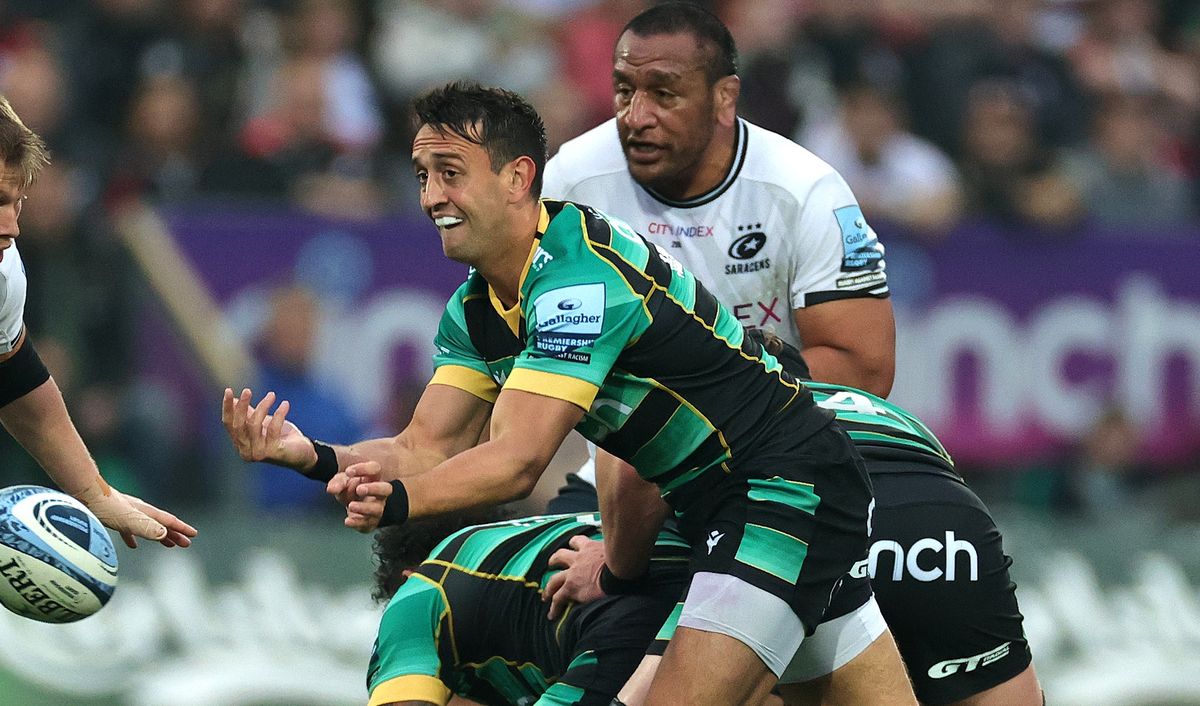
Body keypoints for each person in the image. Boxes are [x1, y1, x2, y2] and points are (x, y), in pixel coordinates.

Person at [221, 81, 914, 705]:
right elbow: (426, 445)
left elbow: (518, 460)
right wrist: (312, 456)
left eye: (451, 173)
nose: (431, 197)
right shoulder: (475, 308)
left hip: (781, 492)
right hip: (730, 507)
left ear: (518, 177)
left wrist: (396, 502)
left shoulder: (578, 280)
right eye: (423, 175)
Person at [550, 330, 1042, 706]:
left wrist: (615, 570)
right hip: (944, 526)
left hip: (806, 524)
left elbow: (634, 473)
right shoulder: (877, 407)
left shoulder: (735, 404)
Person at [540, 2, 892, 514]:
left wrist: (699, 397)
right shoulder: (572, 181)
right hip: (625, 472)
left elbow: (866, 369)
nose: (636, 116)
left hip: (773, 465)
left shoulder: (805, 190)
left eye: (664, 94)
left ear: (724, 98)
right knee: (540, 561)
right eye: (624, 91)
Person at [0, 94, 196, 549]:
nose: (11, 227)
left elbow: (20, 385)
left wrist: (96, 493)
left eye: (16, 204)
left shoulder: (7, 275)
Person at [368, 510, 691, 706]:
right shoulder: (514, 551)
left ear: (407, 579)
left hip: (619, 619)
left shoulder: (420, 589)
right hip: (700, 588)